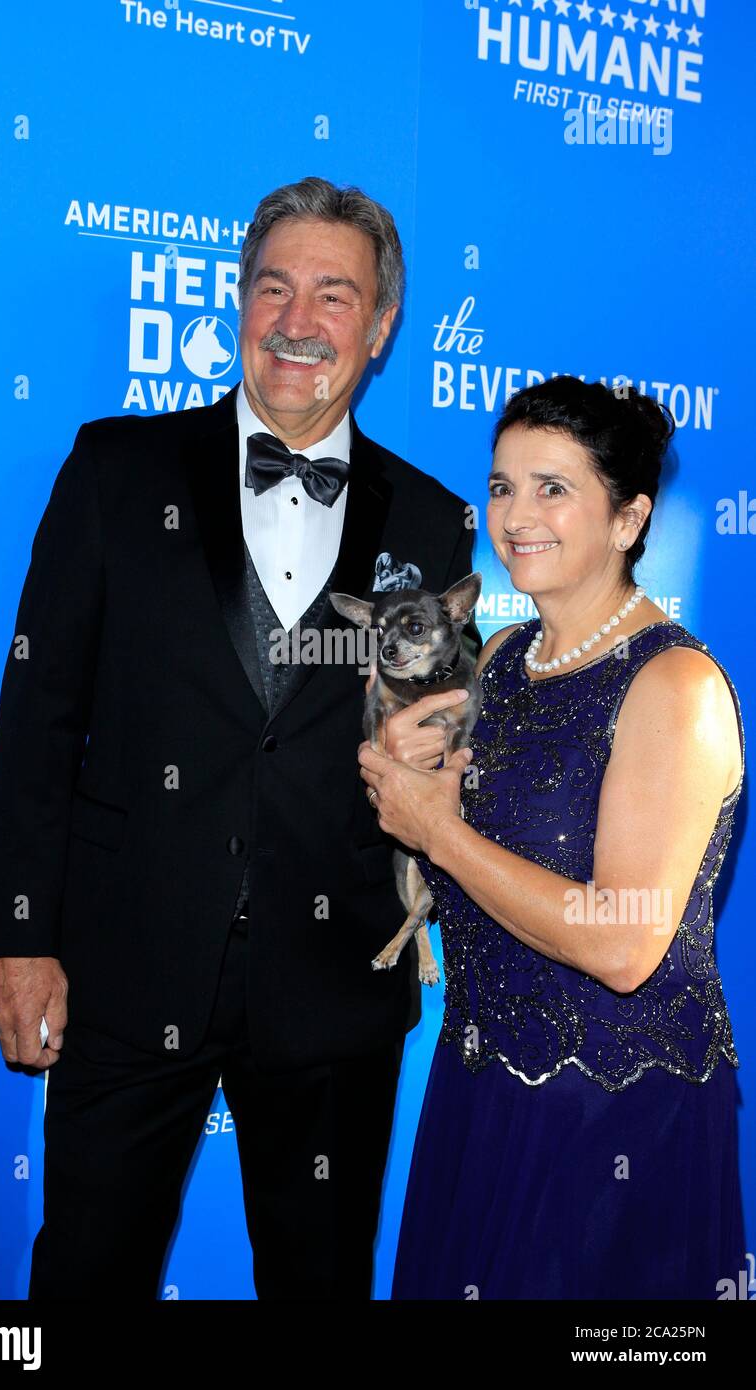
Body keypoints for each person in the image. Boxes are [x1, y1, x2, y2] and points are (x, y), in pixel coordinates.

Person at [0, 175, 482, 1300]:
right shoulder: (115, 470)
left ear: (382, 324)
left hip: (333, 986)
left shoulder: (431, 520)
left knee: (320, 1280)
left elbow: (428, 749)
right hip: (124, 957)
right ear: (238, 301)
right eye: (273, 288)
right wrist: (14, 931)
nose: (297, 322)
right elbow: (37, 713)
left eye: (333, 295)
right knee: (85, 1275)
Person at [357, 376, 746, 1300]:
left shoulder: (675, 688)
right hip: (480, 1091)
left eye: (553, 488)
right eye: (501, 486)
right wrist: (409, 772)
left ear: (629, 518)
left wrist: (437, 832)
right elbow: (458, 839)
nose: (516, 515)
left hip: (611, 1118)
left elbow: (621, 943)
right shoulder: (500, 658)